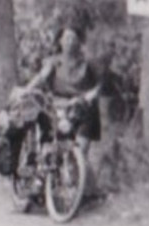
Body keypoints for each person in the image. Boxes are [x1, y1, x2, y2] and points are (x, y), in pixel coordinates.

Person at [22, 23, 103, 155]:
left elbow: (100, 84)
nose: (69, 42)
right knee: (50, 139)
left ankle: (81, 167)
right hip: (60, 105)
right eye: (66, 38)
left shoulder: (88, 63)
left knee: (81, 154)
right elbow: (41, 77)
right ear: (60, 41)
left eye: (73, 38)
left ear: (79, 42)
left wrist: (91, 95)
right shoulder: (54, 61)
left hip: (83, 109)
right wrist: (26, 90)